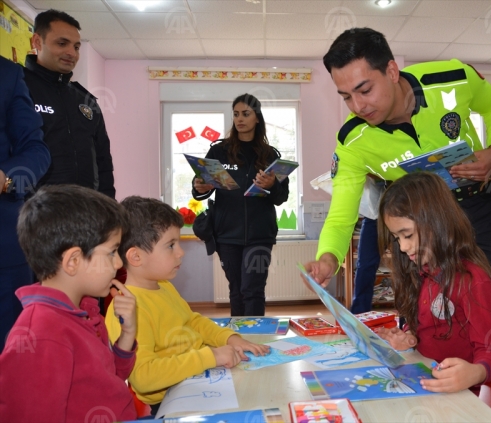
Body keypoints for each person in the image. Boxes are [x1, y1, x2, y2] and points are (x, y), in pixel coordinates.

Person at [303, 28, 491, 397]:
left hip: (480, 211)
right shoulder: (353, 140)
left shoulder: (451, 77)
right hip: (420, 234)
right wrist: (327, 258)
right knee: (425, 319)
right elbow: (342, 214)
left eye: (365, 89)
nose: (358, 106)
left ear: (391, 71)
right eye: (345, 96)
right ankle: (440, 392)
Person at [105, 196, 270, 414]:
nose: (181, 252)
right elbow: (144, 377)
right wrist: (211, 356)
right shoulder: (127, 309)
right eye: (171, 245)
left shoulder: (164, 287)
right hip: (170, 401)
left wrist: (229, 338)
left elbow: (193, 322)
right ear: (136, 256)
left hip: (199, 381)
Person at [0, 185, 137, 422]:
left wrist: (127, 335)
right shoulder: (42, 336)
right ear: (73, 261)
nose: (118, 264)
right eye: (112, 252)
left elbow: (108, 381)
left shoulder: (83, 311)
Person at [376, 172, 491, 394]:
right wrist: (409, 337)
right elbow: (427, 327)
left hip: (459, 397)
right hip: (425, 380)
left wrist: (475, 372)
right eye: (397, 238)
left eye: (407, 235)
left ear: (437, 222)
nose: (403, 248)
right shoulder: (421, 271)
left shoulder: (473, 281)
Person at [192, 93, 290, 316]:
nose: (240, 119)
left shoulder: (269, 155)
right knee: (236, 290)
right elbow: (201, 186)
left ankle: (256, 339)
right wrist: (199, 186)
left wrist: (272, 185)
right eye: (236, 114)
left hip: (260, 235)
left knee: (253, 290)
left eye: (246, 114)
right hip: (226, 234)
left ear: (257, 117)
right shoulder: (219, 151)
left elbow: (281, 197)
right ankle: (240, 342)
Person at [23, 9, 116, 198]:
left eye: (76, 47)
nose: (71, 53)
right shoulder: (18, 89)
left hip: (87, 211)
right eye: (62, 43)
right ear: (37, 42)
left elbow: (103, 163)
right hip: (34, 213)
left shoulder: (86, 101)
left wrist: (109, 208)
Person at [0, 57, 51, 351]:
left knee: (11, 348)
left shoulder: (7, 74)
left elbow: (35, 150)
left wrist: (6, 178)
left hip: (4, 247)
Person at [351, 217, 381, 314]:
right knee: (365, 266)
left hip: (405, 212)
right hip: (373, 217)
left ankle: (410, 323)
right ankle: (359, 317)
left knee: (408, 266)